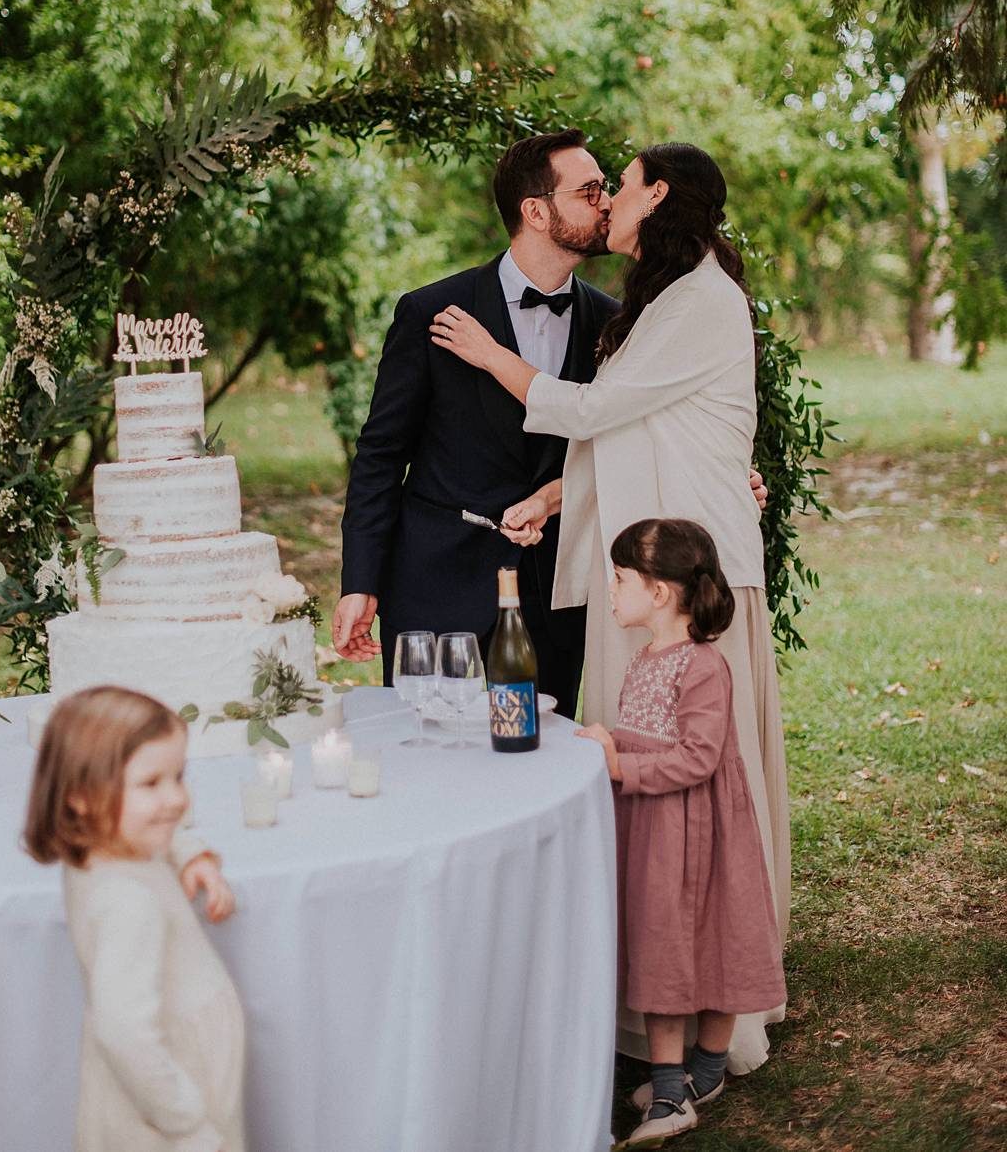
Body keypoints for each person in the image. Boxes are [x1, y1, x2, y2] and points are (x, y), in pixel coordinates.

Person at [430, 140, 788, 1072]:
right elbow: (635, 425)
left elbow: (590, 414)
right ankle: (656, 985)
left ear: (656, 194)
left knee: (694, 790)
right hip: (643, 577)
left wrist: (490, 355)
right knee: (648, 784)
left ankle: (716, 1000)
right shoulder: (668, 299)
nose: (607, 199)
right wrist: (552, 500)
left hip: (682, 585)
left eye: (617, 185)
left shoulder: (700, 297)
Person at [332, 129, 618, 717]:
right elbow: (380, 456)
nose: (607, 202)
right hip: (434, 584)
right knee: (427, 757)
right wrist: (360, 579)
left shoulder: (613, 325)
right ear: (536, 211)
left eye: (606, 188)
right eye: (589, 191)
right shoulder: (431, 312)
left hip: (555, 589)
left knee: (537, 758)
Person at [576, 518, 786, 1143]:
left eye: (619, 578)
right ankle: (678, 1080)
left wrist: (618, 765)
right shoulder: (646, 658)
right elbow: (650, 736)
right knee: (659, 944)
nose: (610, 590)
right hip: (657, 831)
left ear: (660, 592)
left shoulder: (702, 666)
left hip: (700, 833)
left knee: (712, 943)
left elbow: (698, 757)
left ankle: (689, 1083)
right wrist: (613, 742)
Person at [24, 686, 245, 1152]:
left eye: (178, 776)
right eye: (151, 783)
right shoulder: (127, 902)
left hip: (166, 1083)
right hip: (167, 1108)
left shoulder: (102, 845)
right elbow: (125, 1033)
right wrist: (188, 1127)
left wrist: (188, 856)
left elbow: (160, 834)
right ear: (82, 797)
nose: (176, 799)